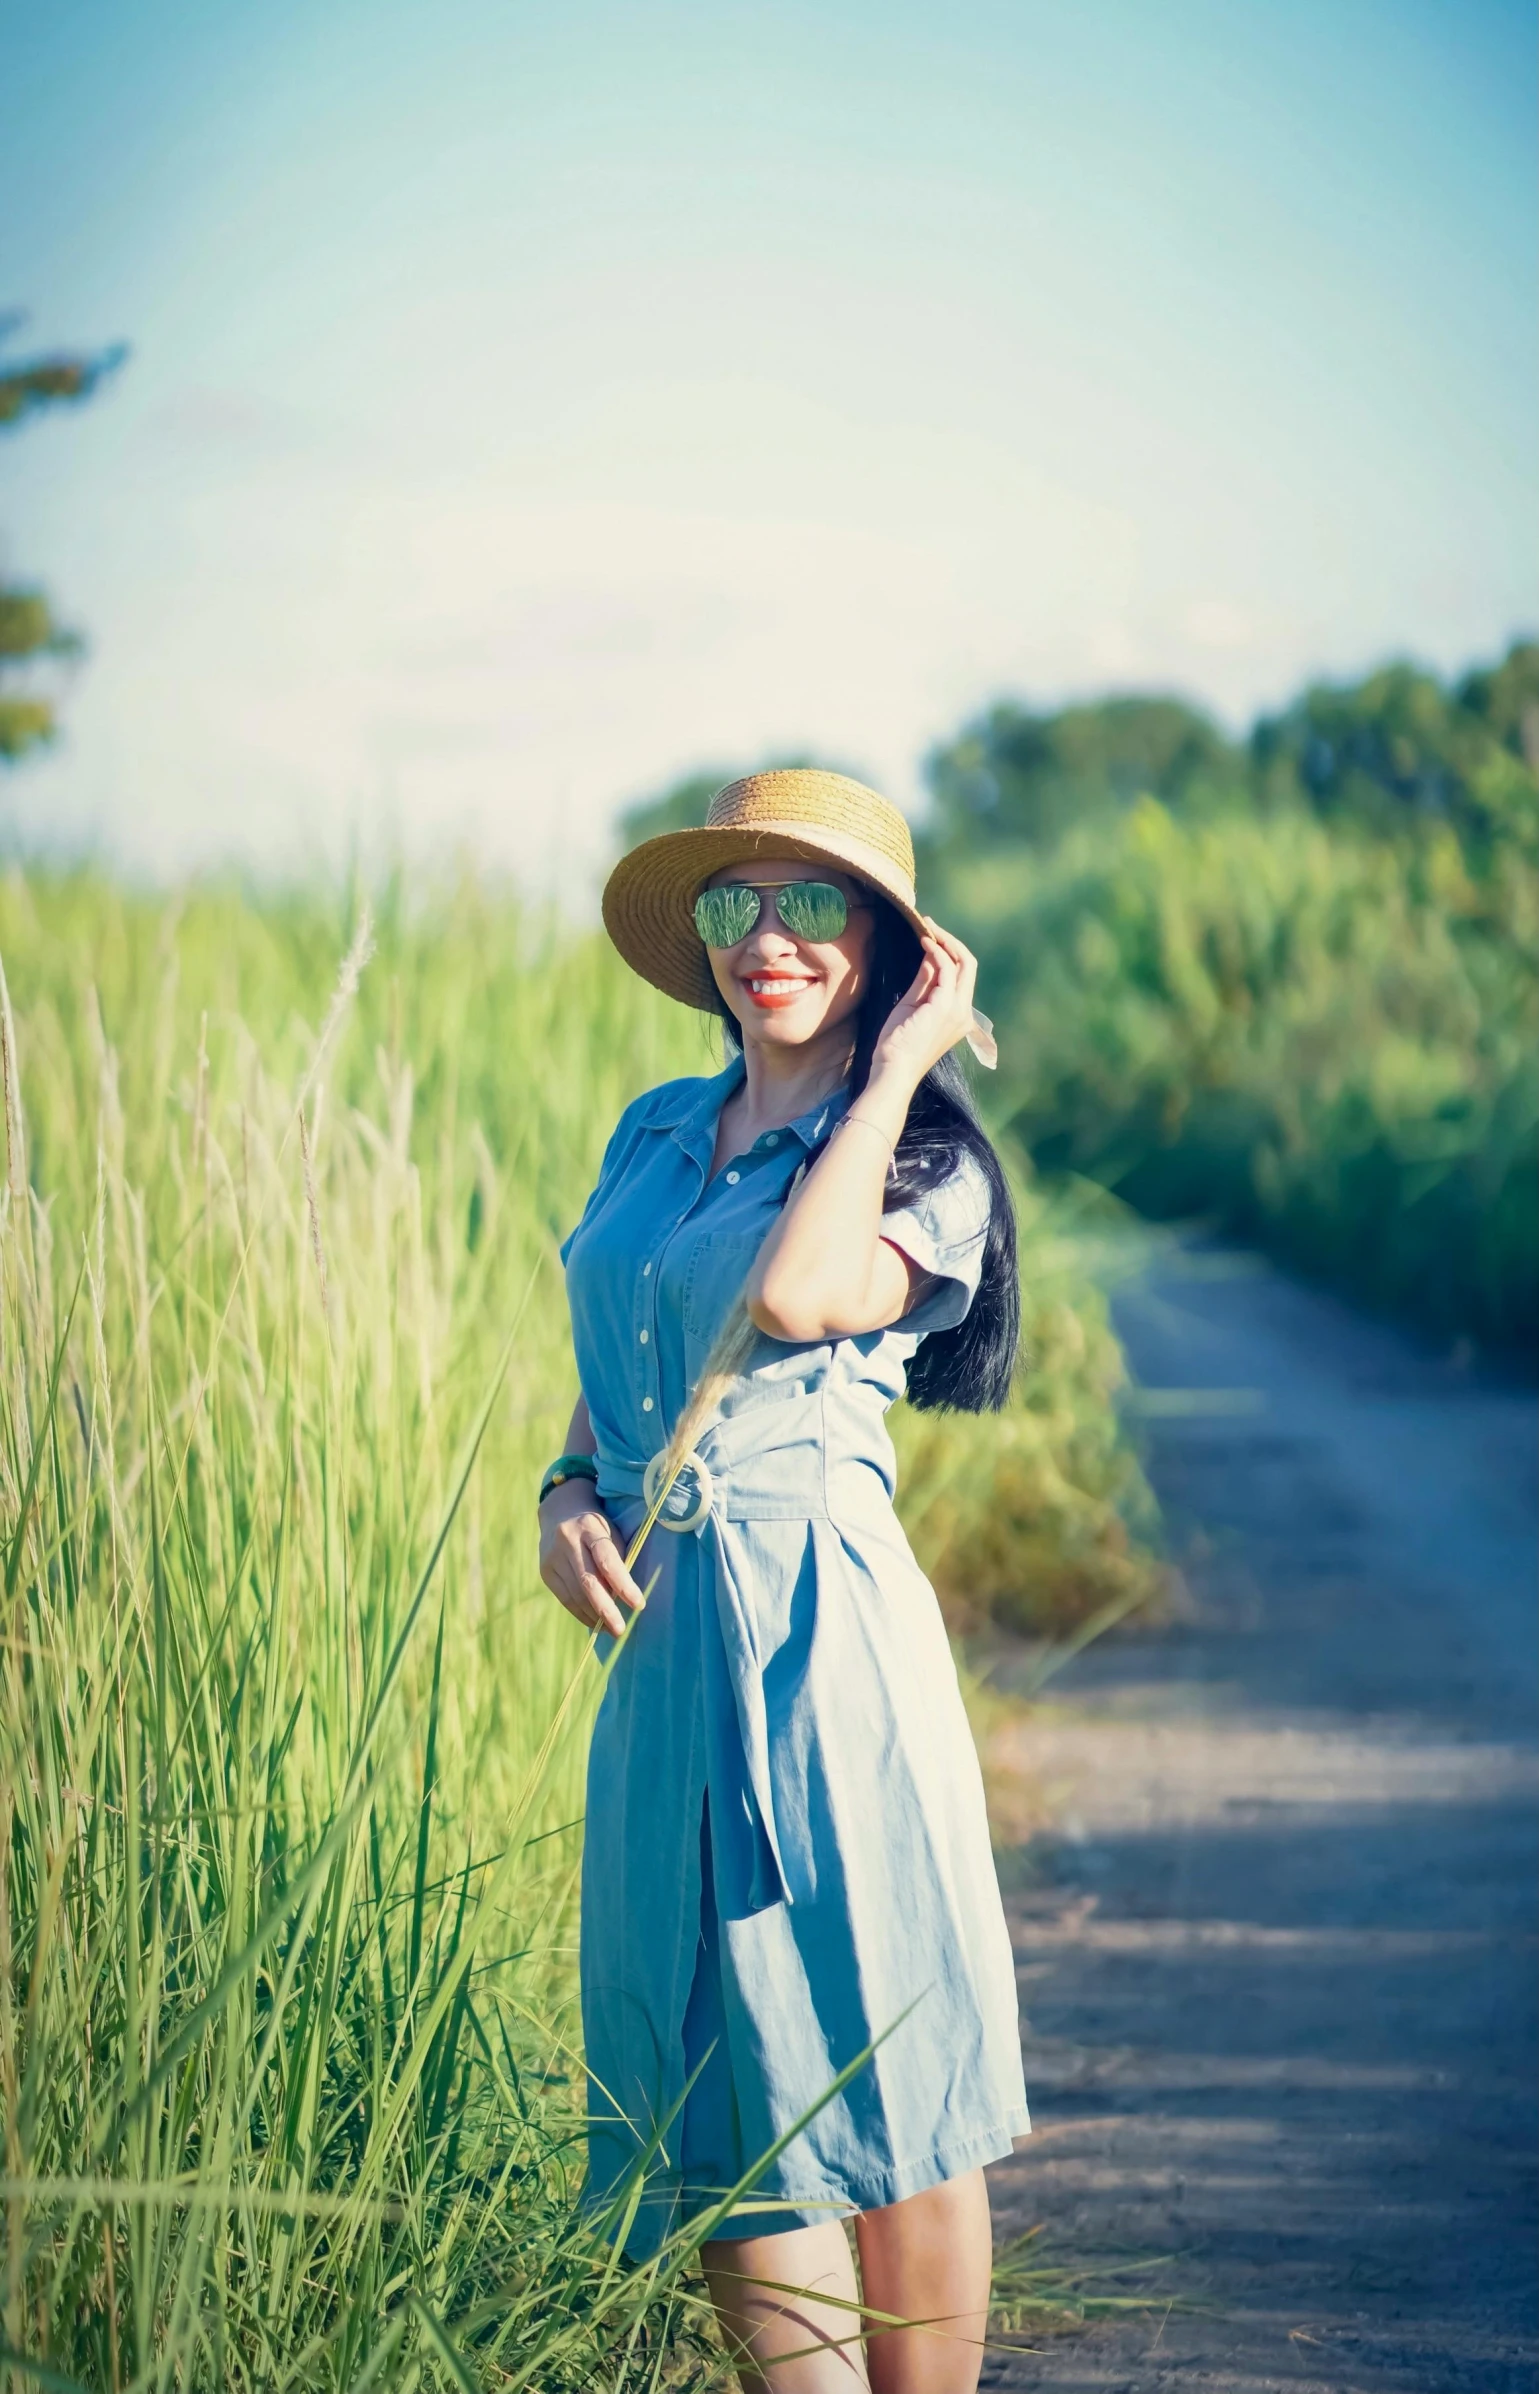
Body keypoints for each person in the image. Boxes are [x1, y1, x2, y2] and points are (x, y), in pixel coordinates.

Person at [540, 770, 1029, 2392]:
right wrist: (565, 1490)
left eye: (813, 903)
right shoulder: (656, 1131)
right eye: (735, 902)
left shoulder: (921, 1165)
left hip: (822, 1642)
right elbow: (634, 1339)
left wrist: (893, 1068)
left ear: (886, 943)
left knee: (887, 2057)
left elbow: (805, 1286)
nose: (768, 938)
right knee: (721, 2085)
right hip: (666, 1647)